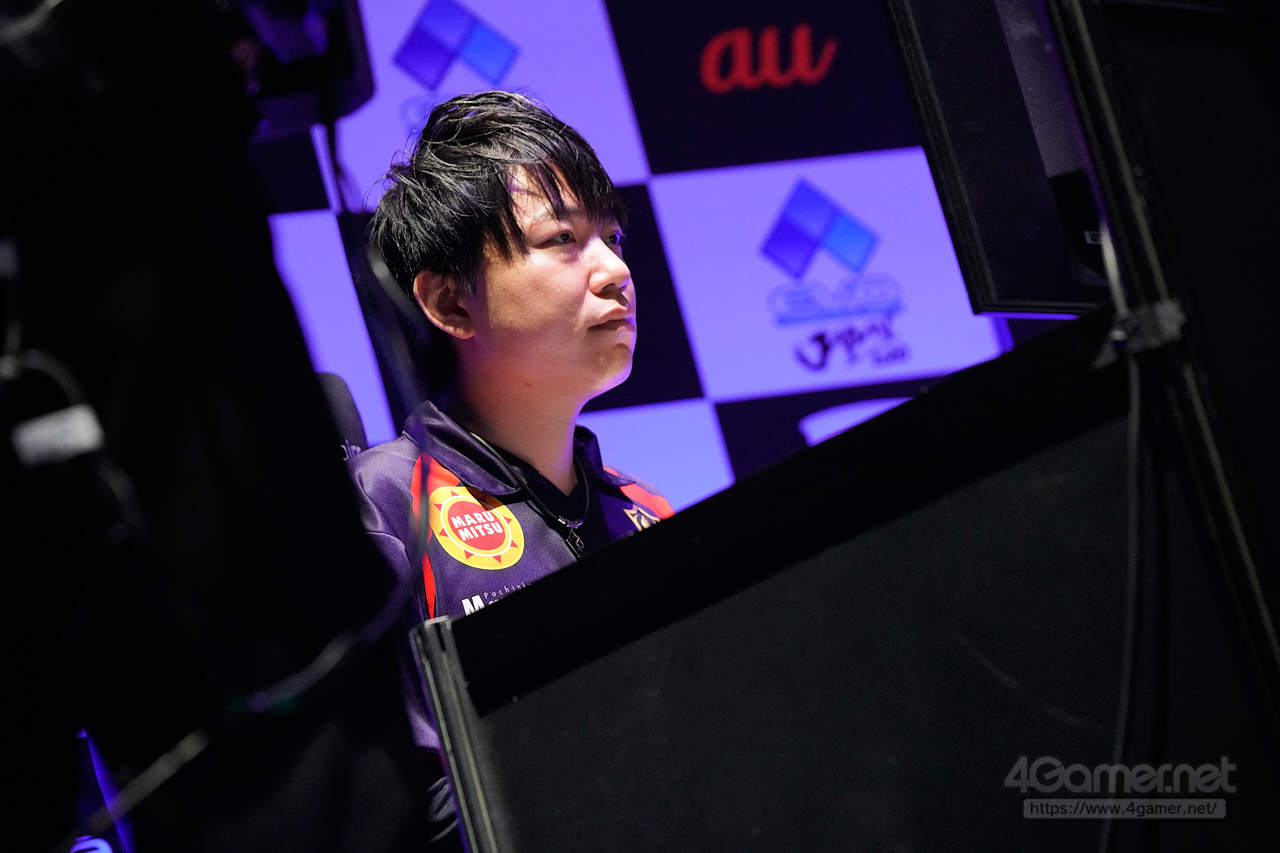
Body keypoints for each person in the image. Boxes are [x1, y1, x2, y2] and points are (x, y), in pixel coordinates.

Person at [347, 90, 674, 846]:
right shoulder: (380, 508)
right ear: (449, 303)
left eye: (612, 237)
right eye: (563, 239)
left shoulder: (647, 512)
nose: (614, 271)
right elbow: (393, 813)